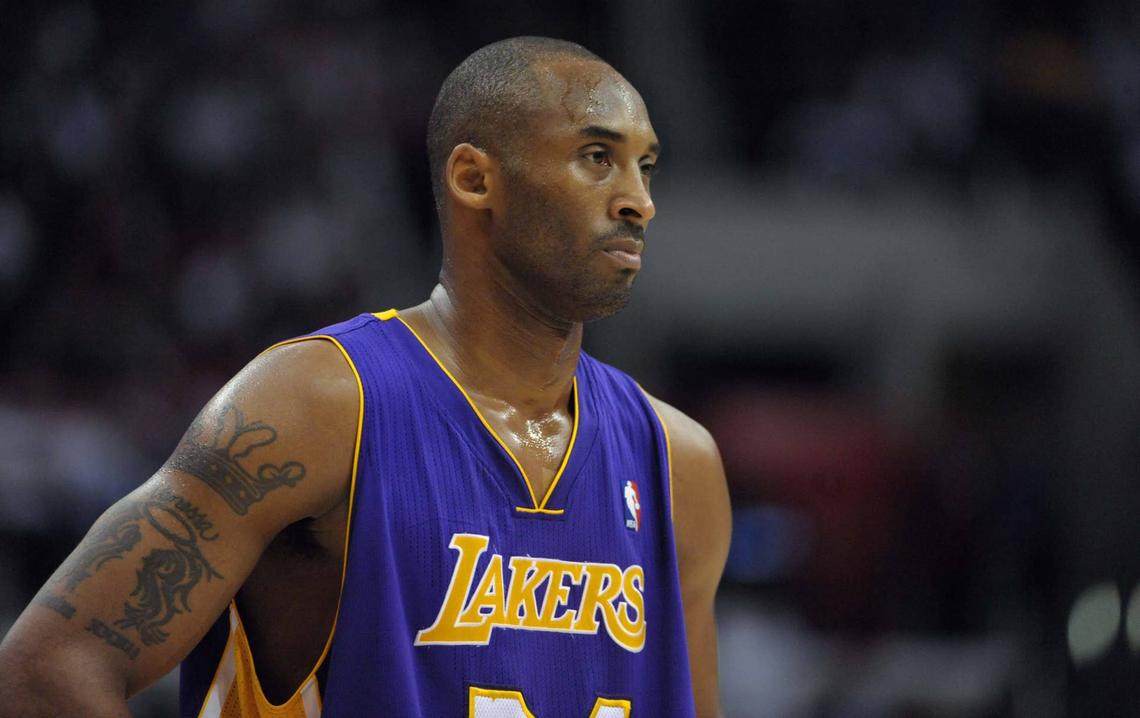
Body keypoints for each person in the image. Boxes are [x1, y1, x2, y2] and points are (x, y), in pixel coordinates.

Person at [0, 36, 731, 717]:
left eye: (646, 165)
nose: (640, 199)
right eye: (598, 157)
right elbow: (46, 668)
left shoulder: (680, 464)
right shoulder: (316, 407)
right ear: (476, 179)